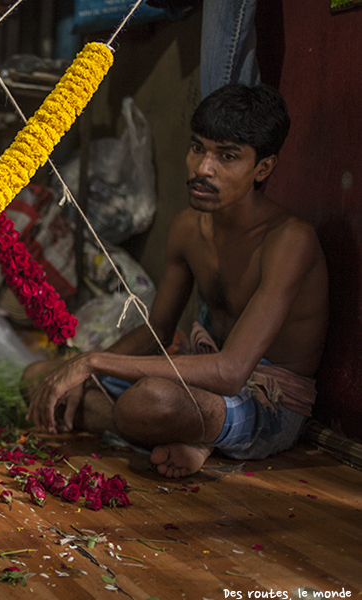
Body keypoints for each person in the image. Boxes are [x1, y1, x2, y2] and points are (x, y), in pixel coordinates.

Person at [23, 83, 328, 478]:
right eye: (198, 148)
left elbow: (231, 372)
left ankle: (172, 430)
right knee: (39, 380)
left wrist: (93, 361)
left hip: (265, 401)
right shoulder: (188, 228)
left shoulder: (290, 239)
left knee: (149, 403)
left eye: (228, 156)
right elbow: (157, 330)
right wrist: (81, 372)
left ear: (263, 168)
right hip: (200, 382)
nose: (203, 168)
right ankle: (179, 437)